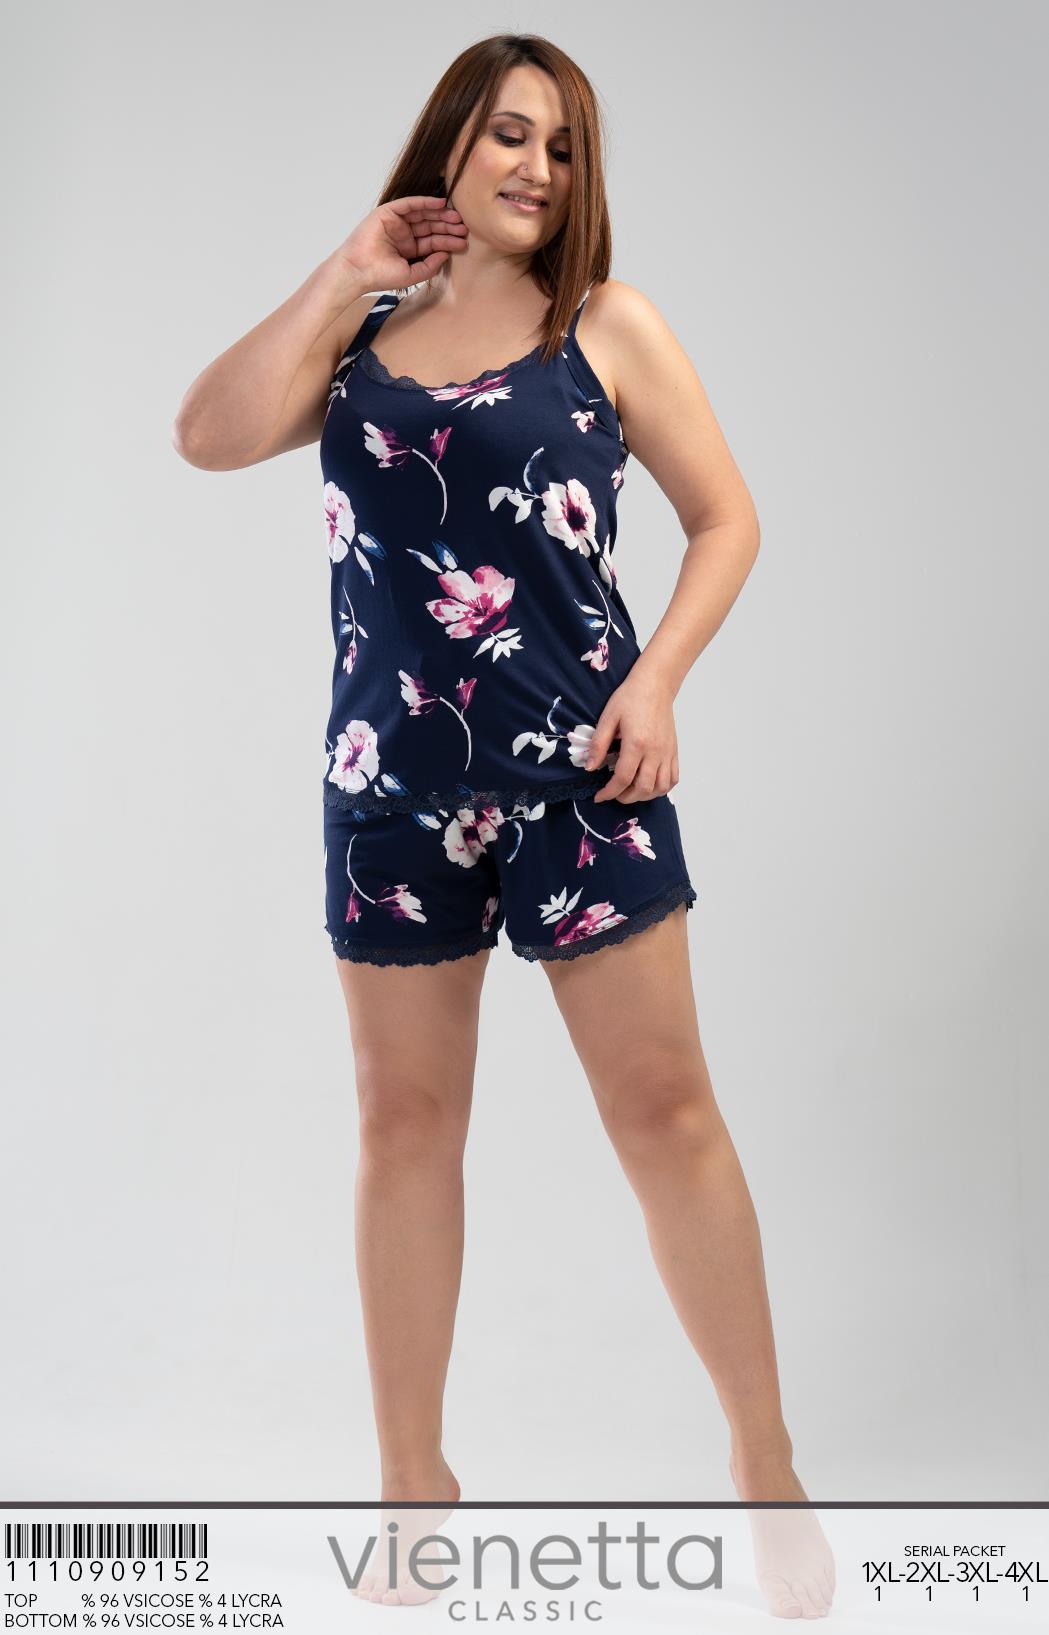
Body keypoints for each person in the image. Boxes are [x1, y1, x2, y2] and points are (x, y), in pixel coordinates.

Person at [173, 31, 835, 1620]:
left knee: (663, 1112)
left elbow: (727, 518)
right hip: (389, 783)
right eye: (507, 135)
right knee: (403, 1128)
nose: (534, 167)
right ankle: (414, 1482)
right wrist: (343, 270)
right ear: (448, 148)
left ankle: (764, 1463)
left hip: (582, 777)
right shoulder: (359, 337)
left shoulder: (603, 325)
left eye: (560, 145)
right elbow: (206, 433)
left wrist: (656, 683)